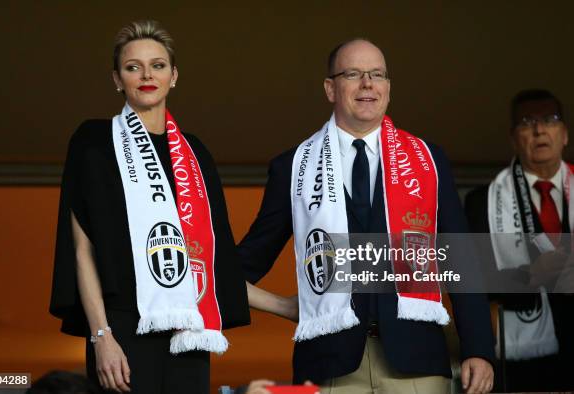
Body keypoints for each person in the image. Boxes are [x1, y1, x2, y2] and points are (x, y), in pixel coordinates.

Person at [237, 38, 495, 394]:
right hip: (331, 367)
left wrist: (479, 350)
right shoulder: (293, 167)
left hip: (416, 364)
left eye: (377, 74)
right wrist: (283, 306)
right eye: (353, 74)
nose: (368, 84)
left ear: (388, 87)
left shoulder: (428, 161)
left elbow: (463, 261)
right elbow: (236, 270)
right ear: (331, 88)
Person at [49, 20, 251, 394]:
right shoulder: (94, 142)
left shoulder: (195, 154)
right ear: (116, 78)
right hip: (123, 329)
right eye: (132, 67)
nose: (146, 75)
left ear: (173, 76)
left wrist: (287, 307)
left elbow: (212, 261)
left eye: (157, 65)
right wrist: (101, 338)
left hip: (188, 332)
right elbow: (82, 252)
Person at [465, 89, 574, 391]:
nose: (539, 129)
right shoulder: (482, 202)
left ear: (564, 134)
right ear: (514, 139)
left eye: (549, 120)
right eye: (527, 122)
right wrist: (530, 275)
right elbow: (473, 283)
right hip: (522, 362)